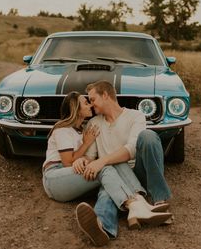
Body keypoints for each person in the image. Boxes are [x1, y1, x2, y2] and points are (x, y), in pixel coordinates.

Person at [42, 90, 171, 246]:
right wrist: (86, 146)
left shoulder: (82, 129)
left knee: (107, 174)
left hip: (72, 176)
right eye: (85, 102)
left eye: (91, 100)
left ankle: (103, 226)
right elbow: (68, 162)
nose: (90, 104)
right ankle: (136, 204)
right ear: (74, 107)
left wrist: (84, 158)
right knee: (103, 167)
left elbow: (83, 158)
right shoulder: (62, 129)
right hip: (55, 177)